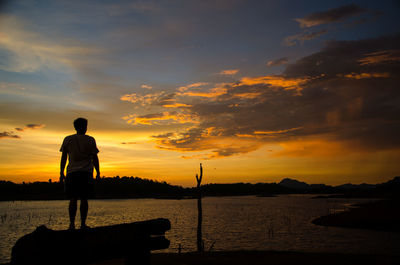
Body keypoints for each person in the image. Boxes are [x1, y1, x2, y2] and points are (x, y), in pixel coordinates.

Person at [59, 117, 100, 230]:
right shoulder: (90, 140)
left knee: (73, 198)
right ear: (84, 127)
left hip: (72, 173)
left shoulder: (68, 139)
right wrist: (98, 172)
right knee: (84, 198)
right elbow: (95, 158)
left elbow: (63, 158)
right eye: (85, 126)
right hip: (86, 173)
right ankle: (82, 224)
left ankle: (72, 225)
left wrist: (61, 172)